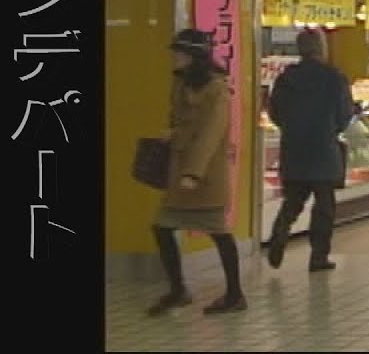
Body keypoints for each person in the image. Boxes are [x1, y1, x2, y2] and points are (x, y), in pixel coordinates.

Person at [148, 29, 245, 316]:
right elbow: (185, 123)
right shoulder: (180, 84)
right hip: (182, 172)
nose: (174, 58)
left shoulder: (217, 89)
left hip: (204, 174)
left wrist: (193, 173)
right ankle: (178, 289)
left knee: (218, 232)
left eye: (179, 53)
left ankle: (235, 294)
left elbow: (211, 133)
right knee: (162, 226)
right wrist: (173, 133)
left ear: (194, 57)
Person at [266, 29, 355, 273]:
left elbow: (274, 111)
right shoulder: (334, 78)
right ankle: (318, 256)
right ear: (321, 48)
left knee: (293, 200)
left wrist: (292, 128)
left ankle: (279, 234)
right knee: (324, 207)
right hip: (323, 149)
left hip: (293, 148)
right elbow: (344, 115)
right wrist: (330, 129)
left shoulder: (286, 79)